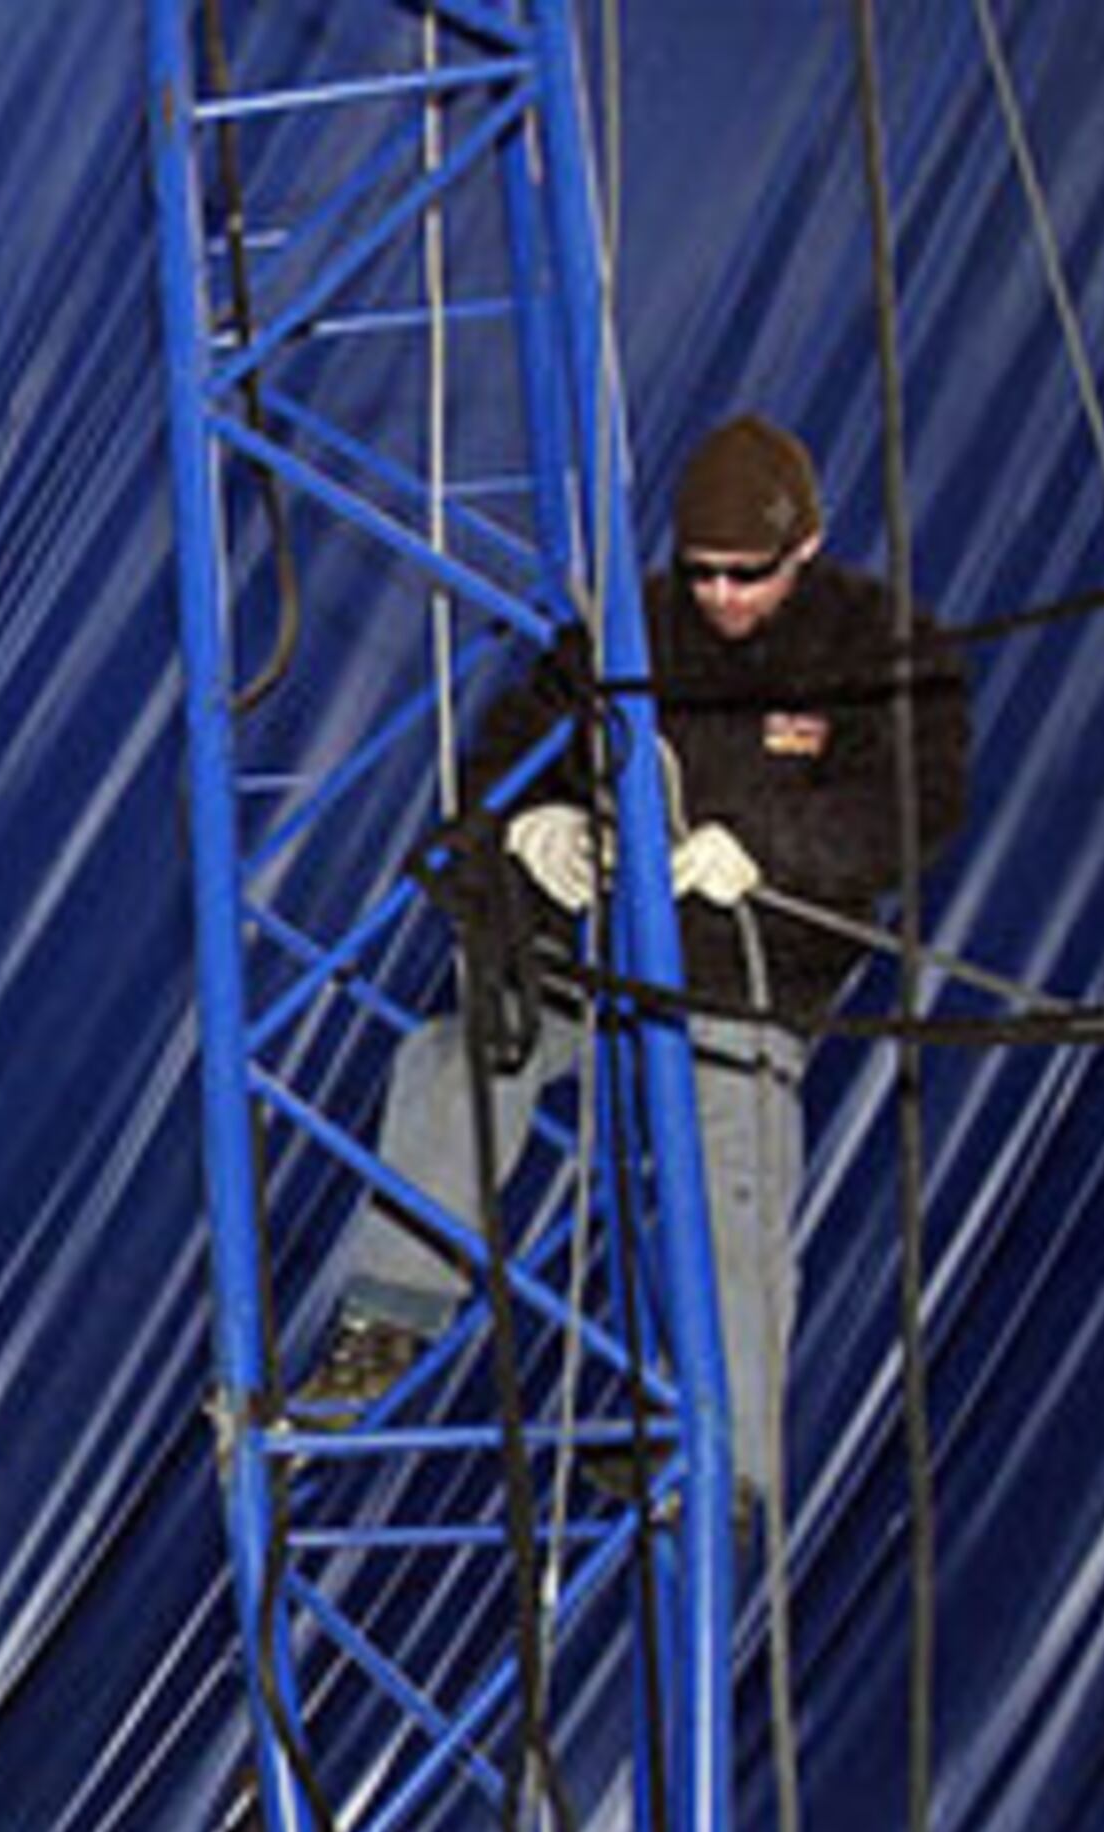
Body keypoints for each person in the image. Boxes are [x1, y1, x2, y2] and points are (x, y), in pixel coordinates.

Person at [297, 413, 972, 1506]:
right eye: (703, 574)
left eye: (749, 577)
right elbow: (505, 757)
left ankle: (727, 1461)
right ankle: (388, 1320)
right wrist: (531, 827)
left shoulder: (882, 645)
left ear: (806, 547)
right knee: (454, 1062)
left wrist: (765, 851)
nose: (722, 599)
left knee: (732, 1177)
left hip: (749, 974)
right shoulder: (627, 632)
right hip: (600, 956)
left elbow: (917, 805)